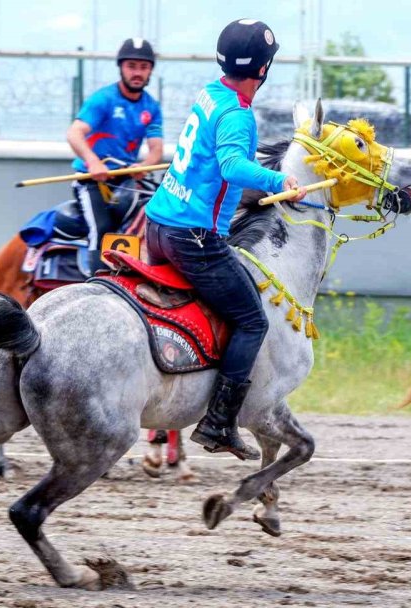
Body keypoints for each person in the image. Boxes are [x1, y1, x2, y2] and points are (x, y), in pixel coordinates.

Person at [142, 19, 307, 460]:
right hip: (190, 238)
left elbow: (221, 159)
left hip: (156, 225)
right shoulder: (237, 112)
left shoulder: (210, 93)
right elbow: (233, 165)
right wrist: (279, 178)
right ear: (263, 68)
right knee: (253, 319)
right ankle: (218, 423)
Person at [66, 37, 164, 273]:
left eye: (143, 67)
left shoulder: (151, 107)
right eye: (131, 66)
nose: (137, 73)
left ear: (150, 70)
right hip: (92, 181)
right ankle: (94, 284)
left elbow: (156, 151)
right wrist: (93, 162)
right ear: (121, 68)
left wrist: (144, 166)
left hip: (127, 180)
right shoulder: (103, 99)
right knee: (101, 229)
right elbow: (74, 133)